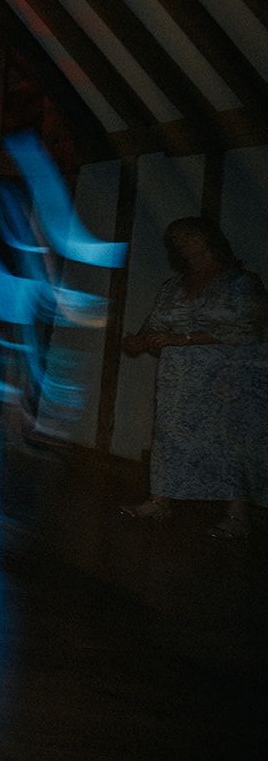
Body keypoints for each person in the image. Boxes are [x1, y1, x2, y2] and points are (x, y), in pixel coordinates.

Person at [121, 217, 268, 538]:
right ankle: (161, 500)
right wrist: (139, 340)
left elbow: (250, 327)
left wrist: (184, 339)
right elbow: (155, 325)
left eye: (188, 235)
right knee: (170, 433)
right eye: (174, 239)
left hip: (228, 376)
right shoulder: (173, 286)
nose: (181, 243)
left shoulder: (241, 282)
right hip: (179, 378)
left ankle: (237, 515)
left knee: (230, 437)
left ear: (208, 237)